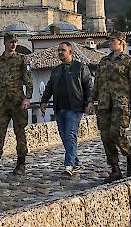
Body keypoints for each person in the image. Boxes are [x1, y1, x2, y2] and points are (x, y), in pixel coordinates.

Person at [86, 30, 131, 183]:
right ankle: (115, 169)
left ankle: (129, 157)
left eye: (113, 40)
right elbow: (96, 83)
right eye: (109, 40)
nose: (110, 42)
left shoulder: (130, 62)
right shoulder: (103, 61)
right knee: (106, 137)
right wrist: (91, 101)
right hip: (104, 104)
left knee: (117, 133)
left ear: (121, 42)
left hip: (120, 104)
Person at [0, 33, 33, 176]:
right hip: (2, 103)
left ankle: (21, 164)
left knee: (20, 133)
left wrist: (27, 98)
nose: (13, 44)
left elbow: (28, 80)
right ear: (5, 43)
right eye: (11, 42)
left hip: (17, 102)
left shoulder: (22, 60)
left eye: (15, 42)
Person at [40, 42, 93, 176]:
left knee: (70, 135)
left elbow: (88, 86)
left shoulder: (80, 67)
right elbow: (49, 87)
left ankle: (68, 164)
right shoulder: (56, 70)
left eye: (63, 50)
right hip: (59, 108)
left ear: (70, 52)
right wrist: (44, 101)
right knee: (64, 137)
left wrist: (89, 103)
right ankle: (74, 162)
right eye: (59, 50)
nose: (60, 53)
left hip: (74, 107)